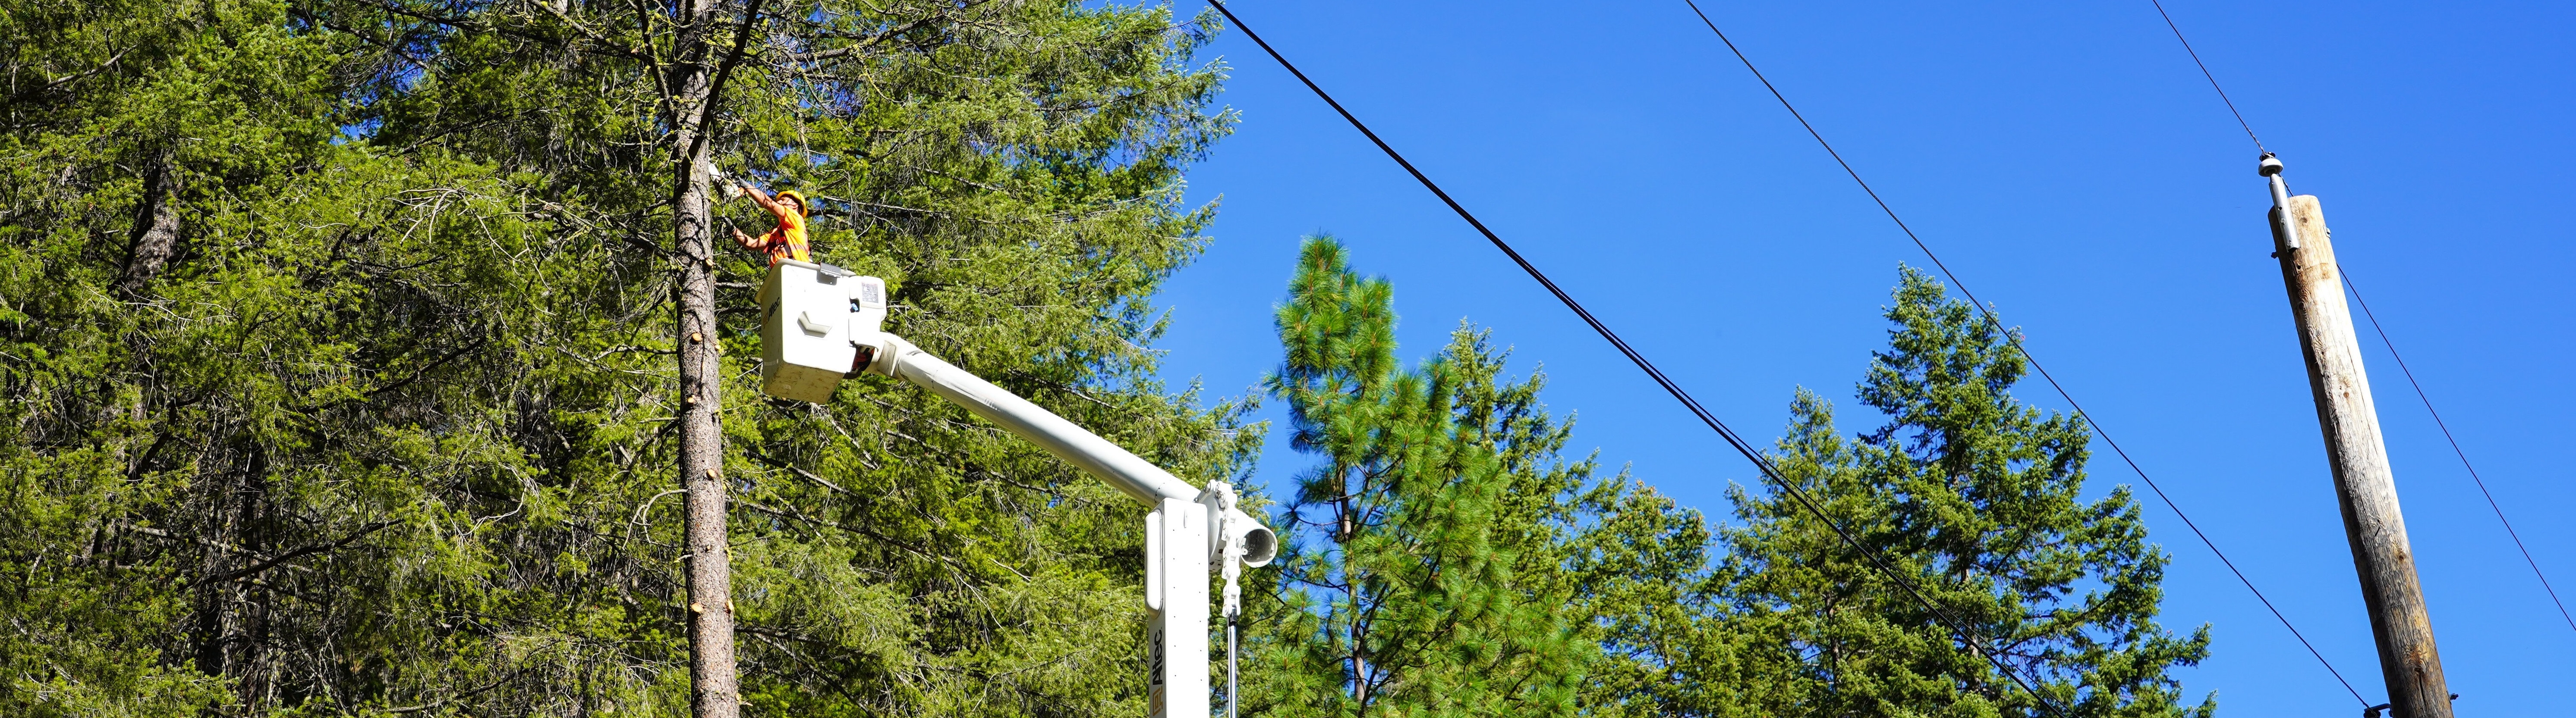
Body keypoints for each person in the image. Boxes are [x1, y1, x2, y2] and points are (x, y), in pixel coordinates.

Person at [732, 183, 811, 266]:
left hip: (797, 268)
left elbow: (769, 204)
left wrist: (746, 186)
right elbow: (751, 244)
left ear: (795, 205)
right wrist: (732, 229)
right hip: (784, 272)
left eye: (783, 200)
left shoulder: (796, 218)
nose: (779, 202)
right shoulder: (777, 232)